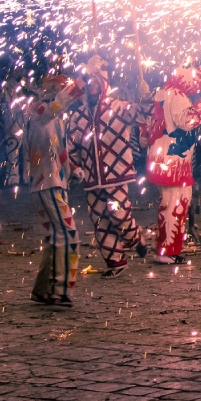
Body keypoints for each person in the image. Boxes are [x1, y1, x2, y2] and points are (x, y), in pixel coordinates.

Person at [66, 56, 151, 278]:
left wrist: (146, 97)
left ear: (104, 83)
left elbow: (144, 114)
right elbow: (71, 146)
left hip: (117, 173)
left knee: (119, 214)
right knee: (100, 220)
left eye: (96, 82)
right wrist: (74, 166)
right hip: (91, 177)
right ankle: (115, 262)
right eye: (89, 82)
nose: (92, 86)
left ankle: (135, 238)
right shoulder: (78, 115)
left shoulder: (118, 107)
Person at [24, 68, 84, 306]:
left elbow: (59, 149)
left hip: (53, 183)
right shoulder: (39, 110)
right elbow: (57, 105)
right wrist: (81, 83)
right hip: (46, 184)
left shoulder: (55, 118)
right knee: (68, 235)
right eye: (58, 89)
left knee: (55, 236)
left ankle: (43, 289)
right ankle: (59, 290)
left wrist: (72, 168)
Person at [147, 65, 201, 264]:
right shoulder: (177, 95)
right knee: (174, 205)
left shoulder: (162, 93)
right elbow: (187, 121)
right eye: (196, 83)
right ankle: (166, 251)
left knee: (175, 202)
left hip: (164, 159)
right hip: (172, 162)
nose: (196, 88)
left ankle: (169, 248)